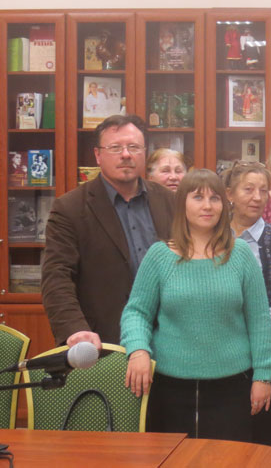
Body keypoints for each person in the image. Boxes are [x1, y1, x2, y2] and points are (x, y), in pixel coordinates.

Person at [120, 169, 271, 442]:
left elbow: (259, 319)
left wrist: (263, 376)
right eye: (198, 197)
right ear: (182, 203)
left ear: (224, 205)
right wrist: (138, 350)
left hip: (232, 388)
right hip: (168, 388)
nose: (207, 206)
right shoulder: (159, 256)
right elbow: (136, 312)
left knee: (227, 460)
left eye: (214, 198)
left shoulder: (240, 255)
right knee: (172, 458)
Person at [42, 115, 174, 348]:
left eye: (134, 147)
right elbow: (57, 277)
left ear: (144, 153)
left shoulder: (170, 201)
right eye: (115, 148)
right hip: (104, 342)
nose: (126, 154)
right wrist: (75, 329)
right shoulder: (70, 208)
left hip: (169, 340)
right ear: (98, 155)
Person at [222, 161, 271, 447]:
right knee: (229, 435)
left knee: (266, 436)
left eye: (263, 191)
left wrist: (257, 342)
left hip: (268, 353)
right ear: (230, 194)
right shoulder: (216, 238)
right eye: (248, 189)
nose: (257, 197)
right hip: (223, 352)